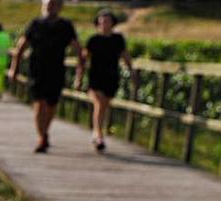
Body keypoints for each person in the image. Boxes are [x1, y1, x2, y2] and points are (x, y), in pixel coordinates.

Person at [10, 0, 84, 153]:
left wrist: (79, 74)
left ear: (60, 7)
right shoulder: (35, 24)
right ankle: (42, 137)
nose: (50, 8)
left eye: (53, 5)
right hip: (37, 70)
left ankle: (44, 132)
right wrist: (14, 69)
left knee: (51, 105)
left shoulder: (65, 26)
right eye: (47, 5)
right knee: (39, 104)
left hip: (56, 71)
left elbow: (78, 51)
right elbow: (20, 48)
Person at [84, 9, 133, 152]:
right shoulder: (93, 40)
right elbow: (83, 58)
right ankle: (99, 135)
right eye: (102, 22)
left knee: (103, 106)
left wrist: (132, 71)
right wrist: (79, 76)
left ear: (113, 23)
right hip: (95, 77)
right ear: (98, 24)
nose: (104, 24)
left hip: (111, 77)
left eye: (107, 21)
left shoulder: (118, 39)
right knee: (99, 103)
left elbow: (125, 55)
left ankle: (96, 130)